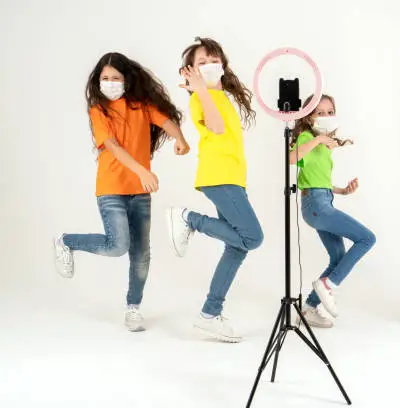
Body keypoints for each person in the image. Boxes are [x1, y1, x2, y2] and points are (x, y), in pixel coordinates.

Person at [53, 52, 190, 332]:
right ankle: (66, 241)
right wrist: (142, 171)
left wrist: (180, 138)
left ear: (127, 80)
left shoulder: (141, 105)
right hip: (112, 188)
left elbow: (165, 121)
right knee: (118, 246)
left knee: (141, 253)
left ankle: (133, 308)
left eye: (116, 78)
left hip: (139, 193)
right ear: (97, 81)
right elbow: (113, 146)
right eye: (105, 78)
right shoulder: (98, 111)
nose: (111, 82)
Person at [166, 37, 263, 343]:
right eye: (201, 62)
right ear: (190, 71)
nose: (209, 65)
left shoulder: (220, 97)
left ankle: (209, 314)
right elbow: (217, 129)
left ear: (223, 65)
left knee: (238, 246)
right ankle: (188, 219)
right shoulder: (200, 98)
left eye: (213, 60)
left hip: (232, 178)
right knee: (253, 237)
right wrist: (200, 90)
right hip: (218, 176)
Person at [290, 94, 376, 328]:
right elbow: (291, 159)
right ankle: (329, 285)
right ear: (308, 117)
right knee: (367, 238)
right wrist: (318, 141)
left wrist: (342, 190)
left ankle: (308, 309)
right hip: (316, 206)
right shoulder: (307, 137)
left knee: (338, 257)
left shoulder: (324, 145)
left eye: (330, 112)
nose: (326, 117)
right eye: (320, 113)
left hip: (323, 202)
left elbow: (316, 180)